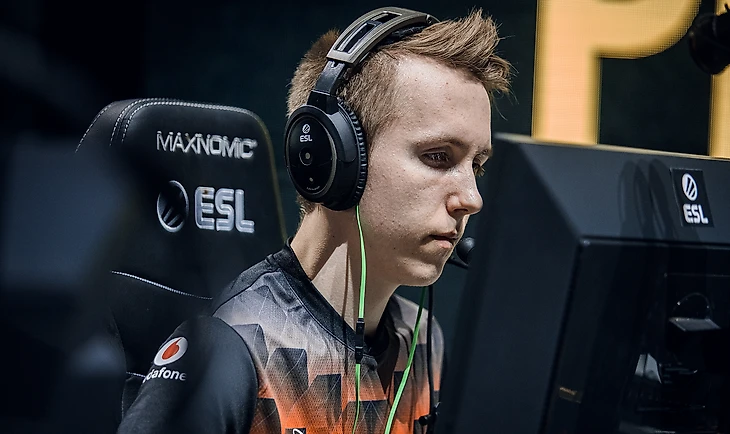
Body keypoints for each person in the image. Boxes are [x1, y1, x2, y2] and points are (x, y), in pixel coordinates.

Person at [117, 6, 510, 434]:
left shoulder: (423, 343)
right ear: (334, 159)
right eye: (438, 157)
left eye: (477, 166)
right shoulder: (228, 352)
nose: (472, 199)